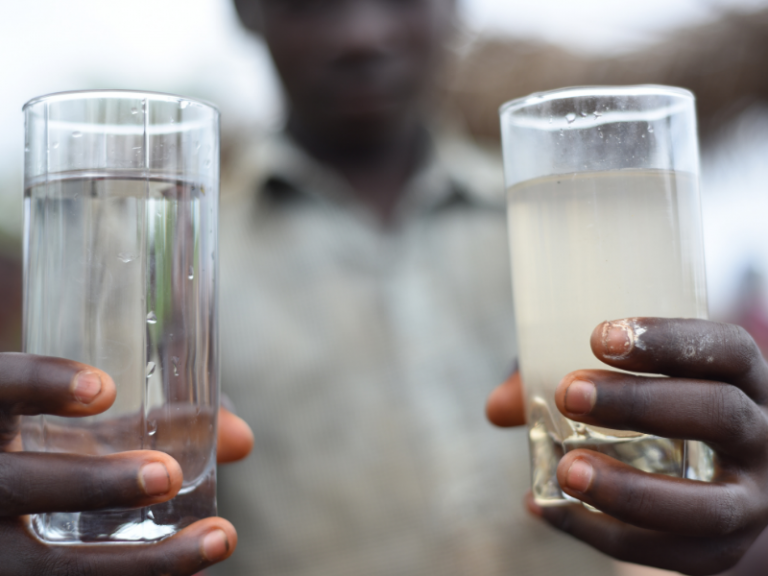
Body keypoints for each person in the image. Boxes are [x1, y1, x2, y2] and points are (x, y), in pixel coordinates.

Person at [2, 1, 768, 575]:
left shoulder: (567, 219)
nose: (362, 32)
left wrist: (745, 521)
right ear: (247, 10)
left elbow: (692, 476)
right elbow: (109, 491)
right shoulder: (165, 249)